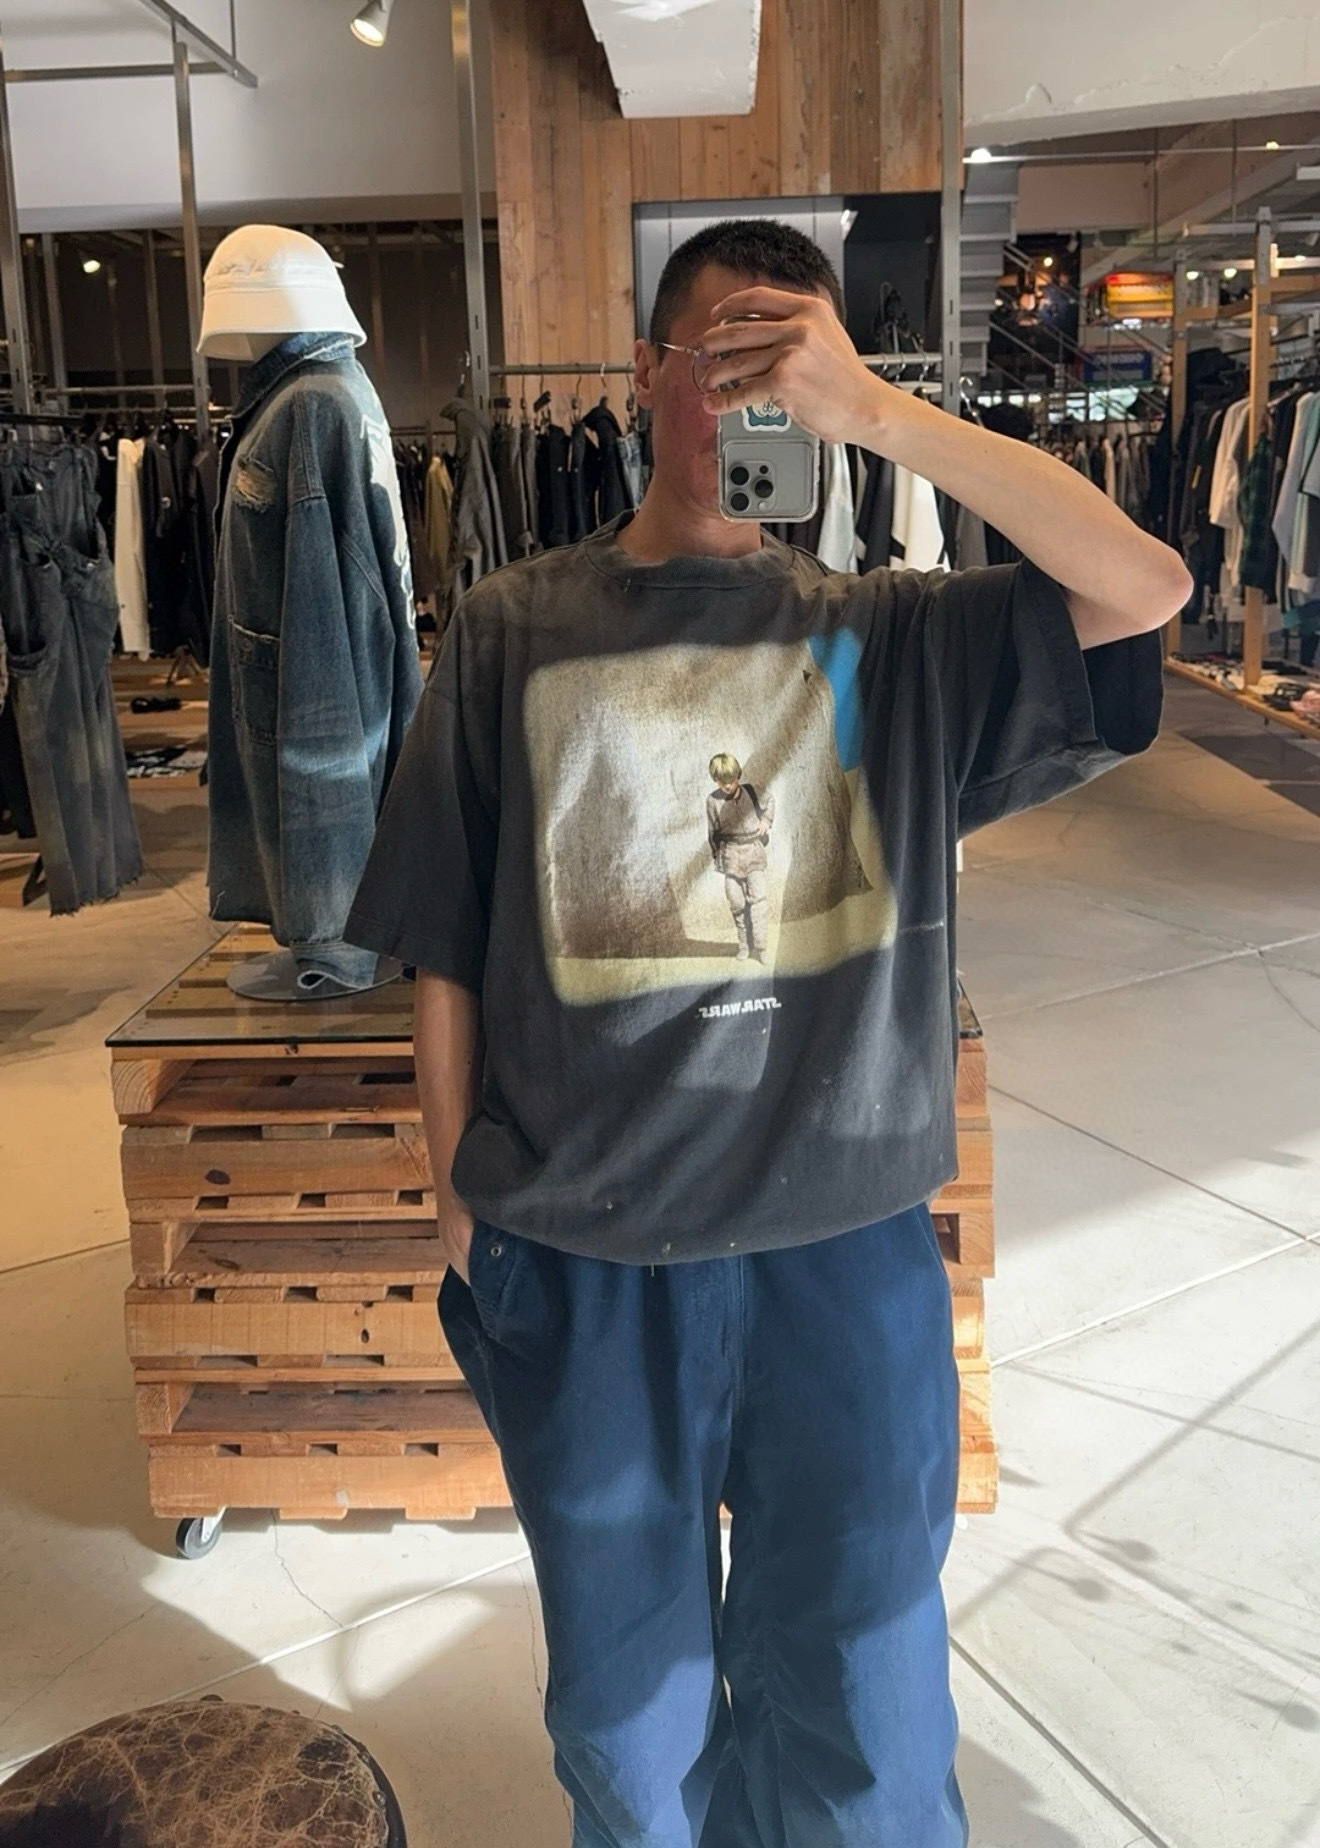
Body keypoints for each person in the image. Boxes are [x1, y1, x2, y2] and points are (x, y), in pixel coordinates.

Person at [346, 219, 1189, 1847]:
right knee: (630, 1730)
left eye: (788, 360)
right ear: (646, 372)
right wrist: (455, 1194)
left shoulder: (894, 633)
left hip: (841, 1257)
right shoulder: (515, 626)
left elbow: (1145, 586)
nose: (751, 394)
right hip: (588, 1257)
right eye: (723, 353)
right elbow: (441, 934)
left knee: (871, 1719)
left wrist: (881, 413)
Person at [706, 753, 775, 962]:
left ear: (738, 776)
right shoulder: (712, 801)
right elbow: (713, 832)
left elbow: (770, 801)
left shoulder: (752, 791)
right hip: (730, 855)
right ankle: (744, 945)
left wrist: (766, 821)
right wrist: (718, 856)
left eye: (731, 780)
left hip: (753, 852)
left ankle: (761, 948)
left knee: (758, 901)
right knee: (736, 903)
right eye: (722, 782)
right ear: (715, 780)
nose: (727, 786)